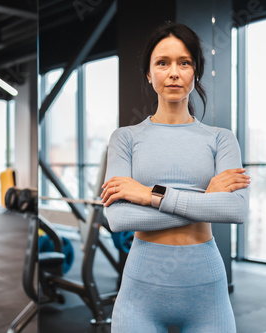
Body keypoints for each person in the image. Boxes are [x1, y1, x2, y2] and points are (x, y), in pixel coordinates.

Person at [100, 22, 250, 332]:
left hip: (207, 292)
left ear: (196, 72)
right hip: (140, 292)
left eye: (184, 63)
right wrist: (205, 202)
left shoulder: (221, 139)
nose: (173, 72)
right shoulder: (125, 138)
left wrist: (147, 195)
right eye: (162, 63)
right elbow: (119, 219)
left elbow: (235, 210)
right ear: (148, 73)